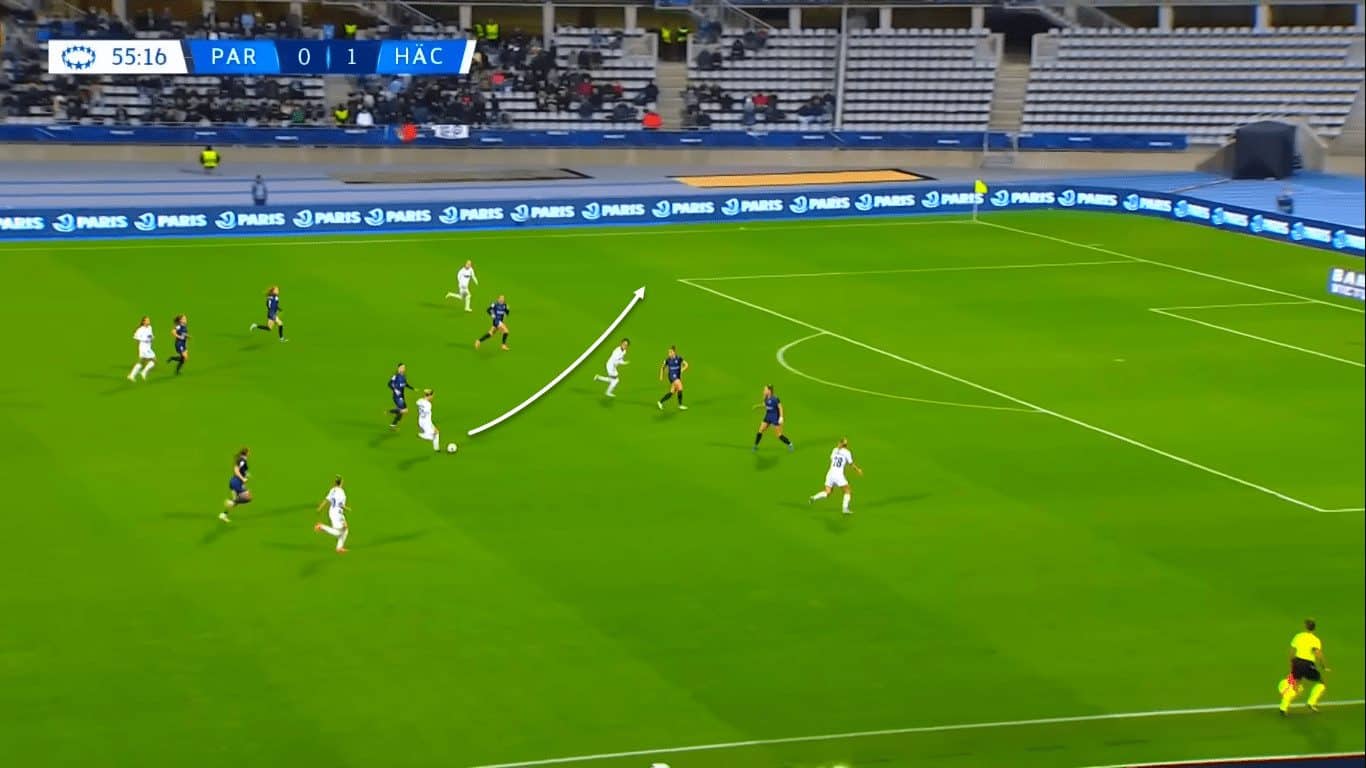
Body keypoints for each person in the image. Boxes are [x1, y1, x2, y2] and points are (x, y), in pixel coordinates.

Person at [1280, 619, 1330, 714]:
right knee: (1321, 683)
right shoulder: (1315, 640)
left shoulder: (1298, 636)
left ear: (1305, 626)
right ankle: (1311, 702)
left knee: (1295, 684)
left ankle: (1283, 707)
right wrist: (1324, 666)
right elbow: (1318, 653)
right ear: (1314, 628)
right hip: (1307, 665)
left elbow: (1292, 651)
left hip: (1297, 662)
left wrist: (1291, 663)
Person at [810, 438, 863, 514]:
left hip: (830, 473)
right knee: (847, 491)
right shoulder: (847, 452)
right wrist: (858, 470)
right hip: (838, 475)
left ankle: (814, 497)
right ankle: (845, 508)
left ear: (839, 443)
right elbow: (851, 464)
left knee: (827, 492)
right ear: (846, 445)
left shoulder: (834, 450)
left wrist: (838, 448)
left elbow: (832, 458)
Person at [313, 475, 350, 553]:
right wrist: (346, 508)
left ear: (335, 483)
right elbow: (340, 505)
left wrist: (320, 508)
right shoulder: (342, 493)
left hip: (331, 511)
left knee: (345, 530)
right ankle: (321, 526)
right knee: (339, 531)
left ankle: (339, 548)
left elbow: (326, 500)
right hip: (337, 514)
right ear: (341, 483)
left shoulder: (333, 490)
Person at [753, 385, 793, 452]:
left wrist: (781, 417)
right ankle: (755, 446)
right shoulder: (765, 398)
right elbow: (765, 405)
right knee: (760, 430)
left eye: (765, 390)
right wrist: (757, 406)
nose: (763, 391)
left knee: (779, 435)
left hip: (775, 417)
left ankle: (790, 444)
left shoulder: (775, 399)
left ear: (769, 391)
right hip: (768, 416)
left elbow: (780, 408)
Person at [220, 447, 251, 522]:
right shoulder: (242, 460)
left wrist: (246, 475)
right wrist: (243, 478)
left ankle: (224, 515)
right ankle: (231, 502)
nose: (250, 453)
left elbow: (242, 470)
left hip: (235, 483)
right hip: (236, 482)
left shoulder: (242, 460)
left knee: (236, 501)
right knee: (248, 497)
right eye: (249, 452)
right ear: (246, 453)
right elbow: (236, 470)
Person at [126, 315, 157, 381]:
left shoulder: (150, 327)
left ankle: (131, 375)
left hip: (148, 347)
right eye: (147, 320)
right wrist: (138, 349)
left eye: (149, 320)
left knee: (141, 362)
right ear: (143, 322)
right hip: (143, 347)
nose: (149, 321)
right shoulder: (140, 330)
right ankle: (143, 372)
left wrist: (152, 338)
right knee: (154, 360)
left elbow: (150, 335)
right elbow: (137, 340)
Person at [657, 345, 688, 410]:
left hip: (677, 376)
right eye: (668, 352)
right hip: (672, 376)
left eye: (670, 352)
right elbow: (662, 367)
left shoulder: (679, 358)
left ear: (674, 352)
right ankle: (680, 405)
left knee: (672, 392)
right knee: (680, 387)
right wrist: (661, 375)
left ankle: (660, 402)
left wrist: (682, 370)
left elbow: (686, 364)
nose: (669, 353)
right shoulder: (667, 360)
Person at [388, 363, 415, 429]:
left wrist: (412, 388)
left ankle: (393, 424)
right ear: (398, 368)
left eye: (404, 367)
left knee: (401, 412)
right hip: (397, 397)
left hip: (402, 397)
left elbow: (405, 384)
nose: (403, 369)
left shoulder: (403, 376)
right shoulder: (395, 376)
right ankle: (390, 411)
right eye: (402, 367)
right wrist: (395, 390)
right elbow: (389, 384)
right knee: (405, 410)